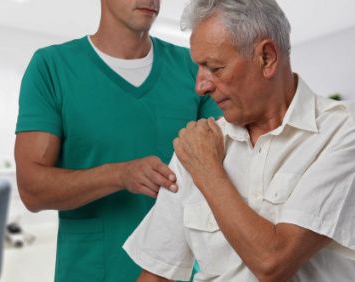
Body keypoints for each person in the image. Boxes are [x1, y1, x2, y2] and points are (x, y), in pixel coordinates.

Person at [123, 0, 355, 281]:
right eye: (199, 68)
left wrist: (208, 171)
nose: (201, 86)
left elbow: (274, 263)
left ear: (267, 58)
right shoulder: (199, 145)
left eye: (215, 67)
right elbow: (157, 274)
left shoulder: (347, 129)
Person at [14, 0, 221, 281]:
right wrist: (120, 175)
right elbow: (32, 190)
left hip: (180, 273)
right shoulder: (52, 68)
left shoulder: (193, 68)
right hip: (90, 271)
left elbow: (226, 168)